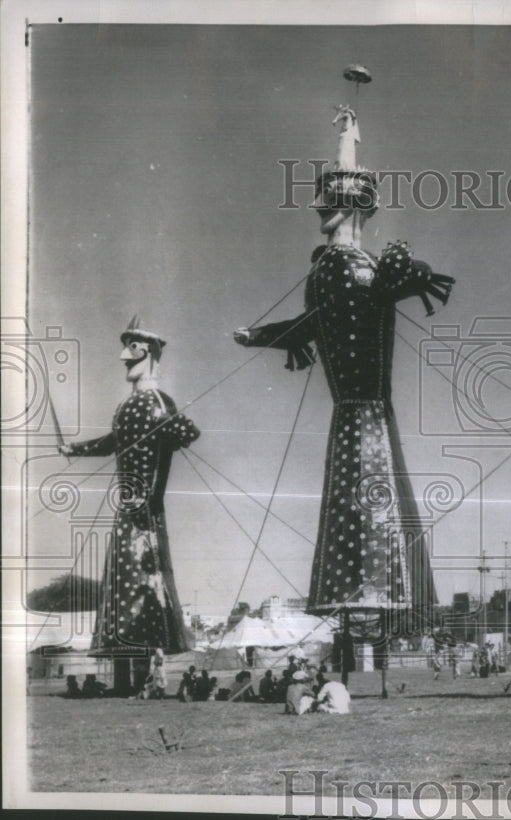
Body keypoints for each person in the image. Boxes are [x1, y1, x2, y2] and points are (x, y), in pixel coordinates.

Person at [234, 87, 453, 630]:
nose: (322, 211)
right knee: (348, 502)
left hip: (370, 416)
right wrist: (258, 334)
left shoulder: (367, 268)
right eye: (322, 202)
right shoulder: (325, 276)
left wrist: (348, 146)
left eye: (333, 202)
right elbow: (309, 327)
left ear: (355, 206)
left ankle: (382, 618)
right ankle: (354, 627)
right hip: (349, 417)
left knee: (372, 502)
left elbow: (403, 279)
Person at [58, 317, 199, 692]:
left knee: (142, 587)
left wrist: (171, 429)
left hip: (145, 515)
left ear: (149, 354)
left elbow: (187, 432)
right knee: (128, 588)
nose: (125, 358)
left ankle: (143, 678)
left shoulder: (156, 401)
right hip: (129, 514)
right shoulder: (129, 406)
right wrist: (75, 448)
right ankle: (125, 678)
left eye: (133, 351)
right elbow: (113, 442)